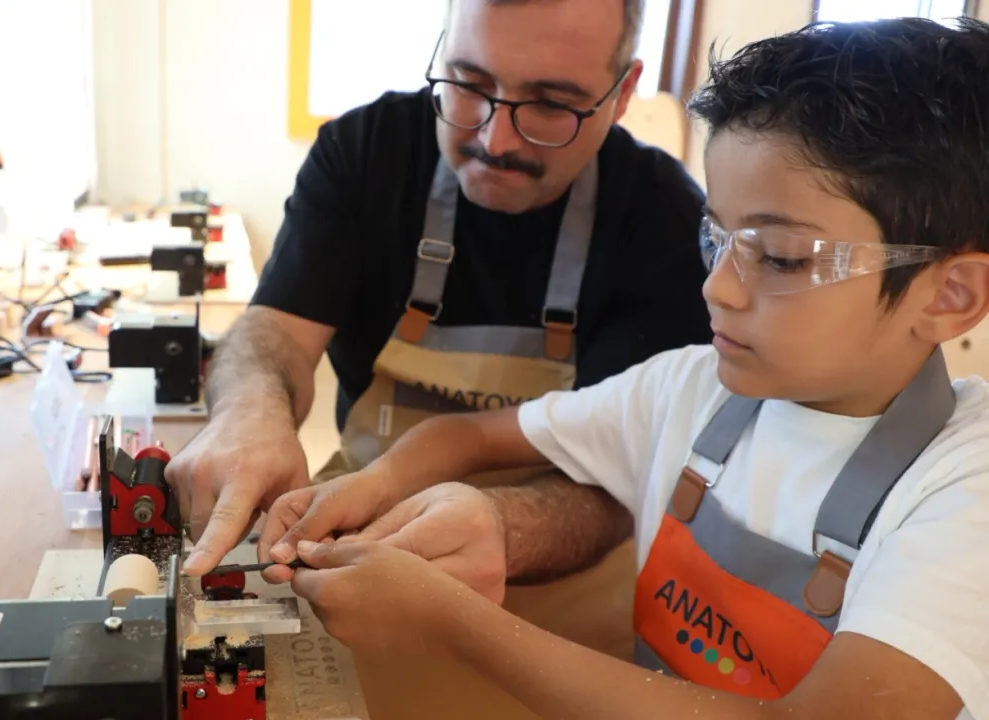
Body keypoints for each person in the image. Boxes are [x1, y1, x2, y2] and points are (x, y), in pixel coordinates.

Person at [261, 16, 989, 719]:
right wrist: (375, 485)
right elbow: (468, 436)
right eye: (717, 237)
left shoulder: (963, 488)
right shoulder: (686, 390)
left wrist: (454, 622)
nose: (718, 287)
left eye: (780, 257)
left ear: (949, 296)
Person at [169, 0, 711, 579]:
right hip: (356, 543)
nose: (496, 140)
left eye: (552, 104)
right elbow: (277, 332)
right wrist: (249, 411)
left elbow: (622, 477)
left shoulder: (665, 220)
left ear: (622, 93)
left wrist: (501, 527)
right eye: (469, 84)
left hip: (562, 591)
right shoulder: (366, 152)